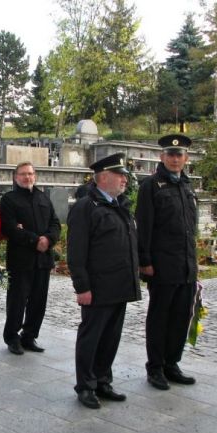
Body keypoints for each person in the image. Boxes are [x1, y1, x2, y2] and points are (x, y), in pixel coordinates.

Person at [67, 153, 141, 409]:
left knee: (111, 337)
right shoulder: (86, 207)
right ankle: (85, 385)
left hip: (120, 285)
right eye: (120, 175)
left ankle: (102, 380)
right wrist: (82, 286)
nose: (125, 180)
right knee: (92, 336)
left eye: (125, 176)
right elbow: (76, 251)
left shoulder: (120, 205)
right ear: (105, 177)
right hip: (98, 288)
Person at [136, 134, 198, 390]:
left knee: (181, 317)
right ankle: (156, 367)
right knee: (160, 318)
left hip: (186, 266)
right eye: (170, 155)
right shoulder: (151, 186)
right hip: (162, 266)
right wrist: (145, 261)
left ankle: (172, 362)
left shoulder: (186, 186)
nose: (175, 159)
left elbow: (190, 229)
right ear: (162, 157)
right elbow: (144, 227)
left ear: (186, 158)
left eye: (179, 155)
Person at [0, 161, 61, 355]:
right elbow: (9, 227)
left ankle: (29, 336)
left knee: (38, 301)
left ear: (35, 176)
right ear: (16, 177)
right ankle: (12, 337)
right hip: (21, 259)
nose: (27, 177)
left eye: (31, 173)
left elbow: (55, 223)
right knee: (17, 301)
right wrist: (35, 240)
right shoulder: (9, 199)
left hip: (43, 260)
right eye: (23, 174)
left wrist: (48, 239)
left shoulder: (43, 197)